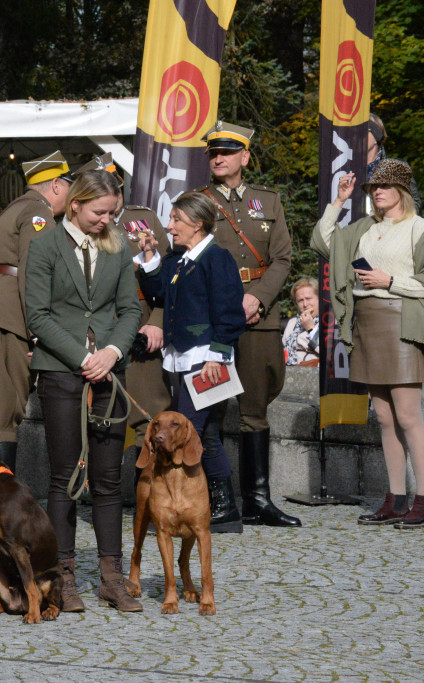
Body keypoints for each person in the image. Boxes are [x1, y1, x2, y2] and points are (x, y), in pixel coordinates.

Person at [24, 169, 141, 612]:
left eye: (112, 212)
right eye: (99, 211)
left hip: (109, 373)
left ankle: (111, 577)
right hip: (61, 372)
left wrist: (111, 352)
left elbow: (130, 308)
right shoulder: (44, 246)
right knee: (66, 478)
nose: (106, 220)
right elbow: (38, 316)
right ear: (75, 204)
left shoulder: (118, 244)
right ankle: (62, 576)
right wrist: (81, 357)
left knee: (110, 480)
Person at [194, 120, 301, 528]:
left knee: (256, 408)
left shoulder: (268, 201)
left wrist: (257, 298)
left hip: (260, 315)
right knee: (211, 407)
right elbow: (191, 257)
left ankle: (258, 500)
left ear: (245, 157)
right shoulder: (197, 201)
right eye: (213, 153)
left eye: (226, 152)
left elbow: (283, 258)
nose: (218, 158)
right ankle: (217, 501)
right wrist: (227, 304)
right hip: (214, 320)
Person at [311, 159, 424, 529]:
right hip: (367, 323)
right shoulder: (364, 227)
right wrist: (339, 201)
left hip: (402, 322)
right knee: (386, 419)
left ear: (402, 191)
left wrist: (389, 280)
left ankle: (422, 499)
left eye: (385, 186)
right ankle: (395, 499)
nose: (377, 192)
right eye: (373, 188)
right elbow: (323, 242)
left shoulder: (418, 228)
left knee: (408, 416)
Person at [135, 191, 247, 533]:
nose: (169, 227)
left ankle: (183, 507)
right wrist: (151, 254)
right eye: (170, 220)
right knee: (207, 433)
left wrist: (218, 355)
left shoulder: (218, 258)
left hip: (205, 360)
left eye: (176, 221)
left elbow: (229, 309)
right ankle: (224, 509)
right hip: (182, 358)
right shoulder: (179, 259)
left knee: (188, 433)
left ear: (198, 224)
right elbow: (157, 290)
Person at [0, 150, 72, 470]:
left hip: (0, 311)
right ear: (56, 185)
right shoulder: (38, 214)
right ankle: (0, 499)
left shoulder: (18, 208)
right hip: (9, 315)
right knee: (5, 408)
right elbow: (35, 272)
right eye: (70, 187)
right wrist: (40, 330)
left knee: (1, 408)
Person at [82, 152, 173, 446]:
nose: (113, 195)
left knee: (150, 413)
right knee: (99, 412)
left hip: (143, 329)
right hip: (98, 327)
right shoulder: (79, 225)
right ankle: (98, 490)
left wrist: (158, 322)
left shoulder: (144, 219)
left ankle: (146, 491)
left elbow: (170, 278)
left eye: (115, 187)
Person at [367, 113, 420, 213]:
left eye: (365, 131)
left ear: (377, 135)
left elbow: (414, 204)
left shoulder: (397, 167)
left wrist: (384, 217)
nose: (358, 136)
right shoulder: (342, 167)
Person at [282, 278, 320, 366]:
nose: (305, 304)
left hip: (313, 372)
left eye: (308, 298)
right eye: (300, 300)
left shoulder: (327, 321)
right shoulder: (292, 323)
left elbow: (328, 352)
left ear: (319, 298)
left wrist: (311, 329)